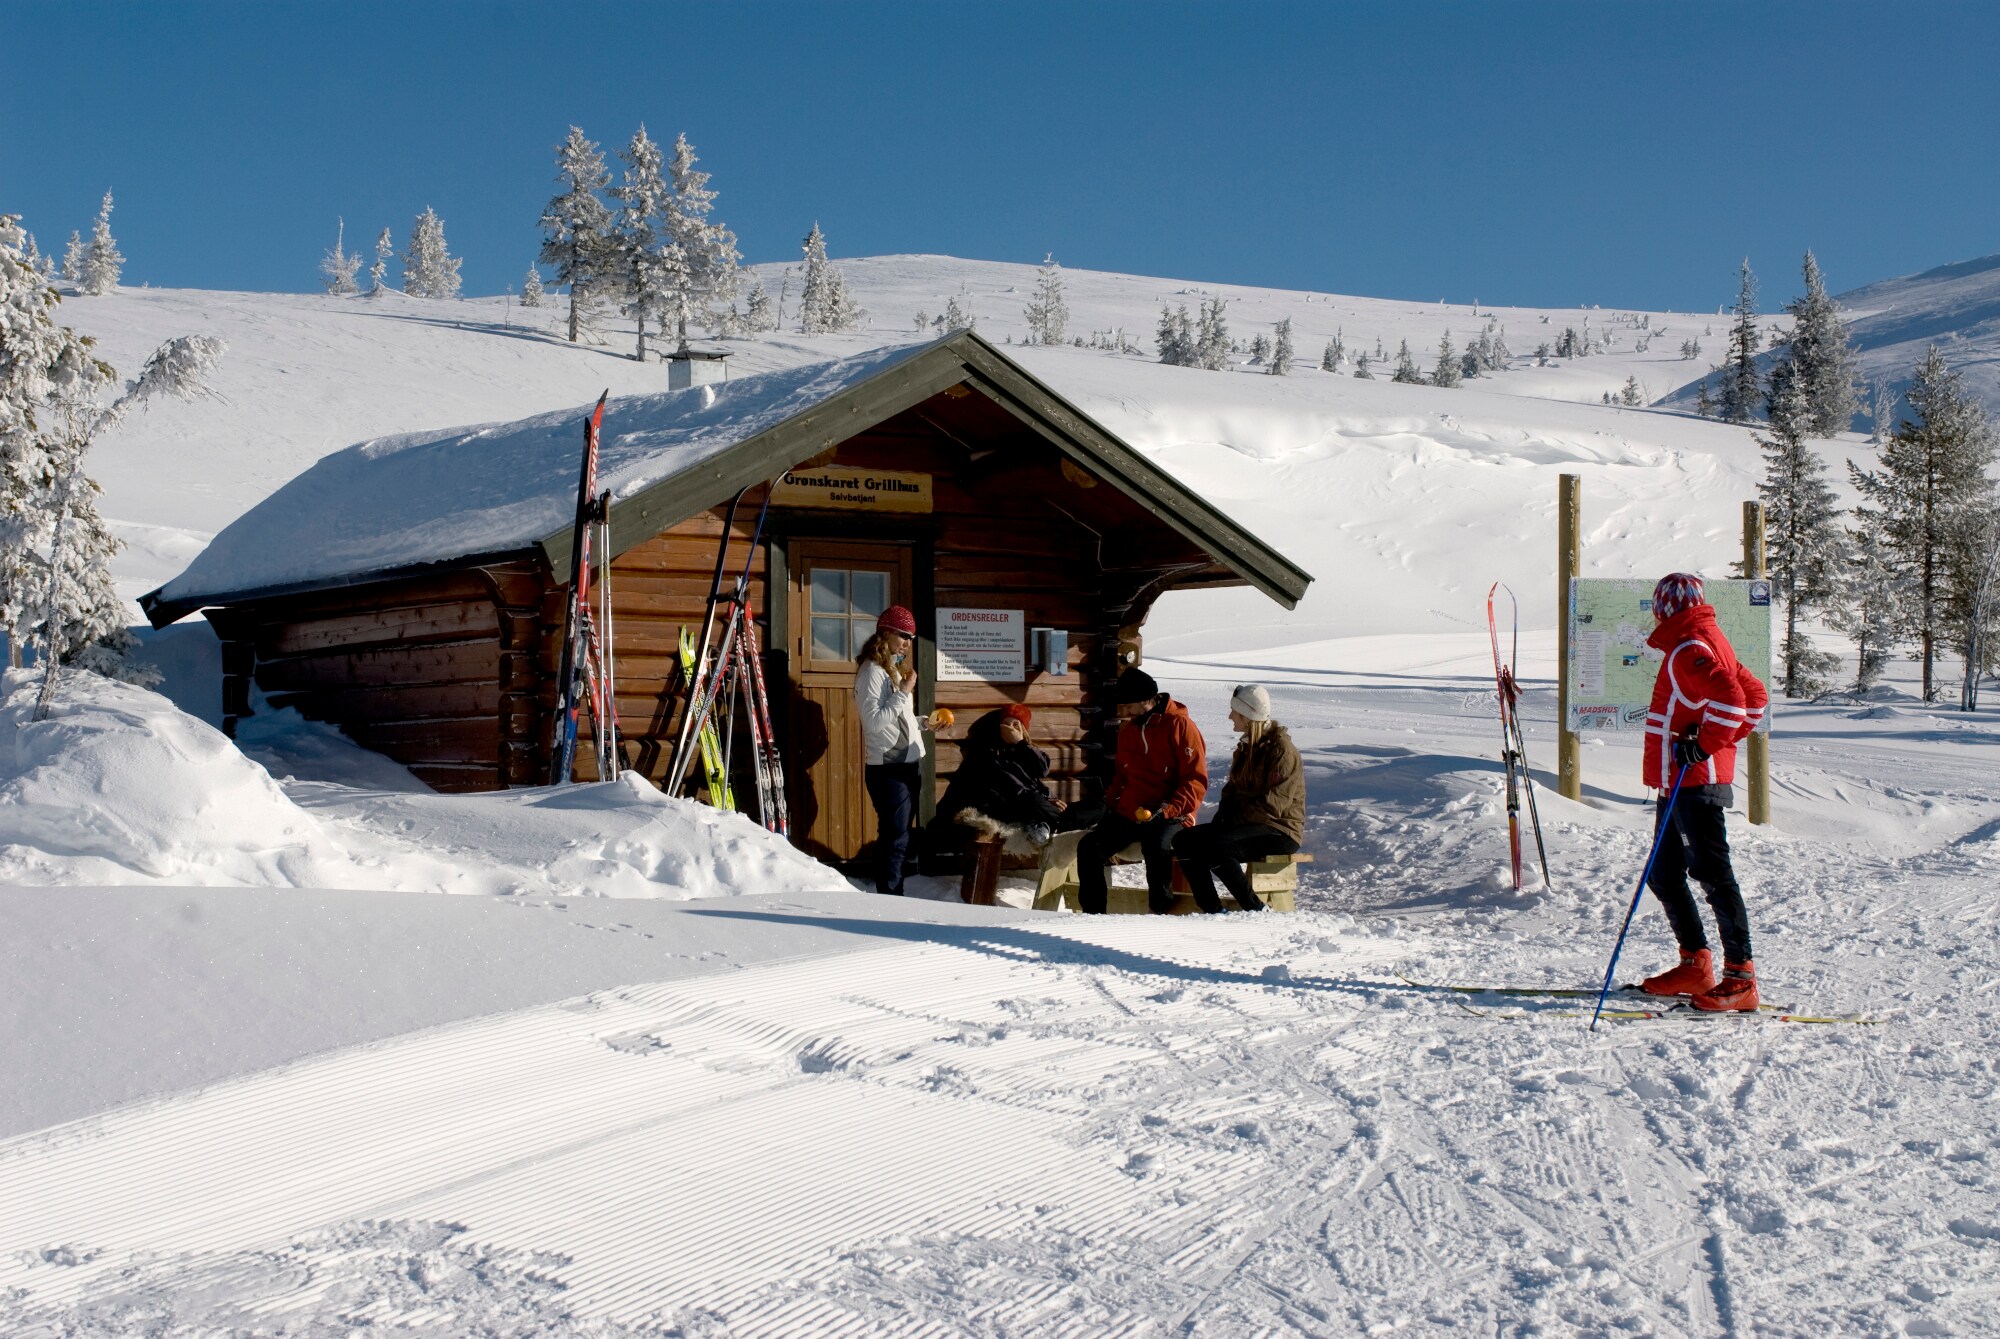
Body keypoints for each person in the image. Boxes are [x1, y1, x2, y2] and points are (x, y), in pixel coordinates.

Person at [1635, 573, 1770, 1011]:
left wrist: (1704, 745)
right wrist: (1713, 739)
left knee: (1712, 875)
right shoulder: (1702, 639)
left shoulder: (1689, 647)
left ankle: (1741, 976)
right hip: (1679, 780)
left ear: (1664, 609)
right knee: (1663, 872)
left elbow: (1734, 700)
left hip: (1695, 782)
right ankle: (1695, 964)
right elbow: (1755, 696)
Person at [1076, 668, 1208, 914]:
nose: (1124, 712)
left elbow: (1195, 780)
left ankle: (1160, 913)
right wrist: (1108, 803)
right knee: (1090, 846)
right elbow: (1123, 776)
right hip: (1133, 810)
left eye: (1128, 706)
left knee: (1156, 843)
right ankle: (1093, 916)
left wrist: (1169, 809)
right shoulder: (1129, 730)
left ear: (1147, 701)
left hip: (1172, 812)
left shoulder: (1181, 726)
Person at [1175, 684, 1304, 912]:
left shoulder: (1281, 751)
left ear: (1247, 716)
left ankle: (1255, 909)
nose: (1230, 717)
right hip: (1248, 825)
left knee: (1217, 847)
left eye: (1235, 712)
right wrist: (1221, 822)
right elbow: (1231, 792)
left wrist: (1230, 825)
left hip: (1279, 830)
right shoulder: (1245, 748)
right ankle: (1212, 911)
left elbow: (1272, 807)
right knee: (1184, 840)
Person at [854, 604, 933, 896]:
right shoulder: (872, 672)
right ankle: (891, 899)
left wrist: (925, 723)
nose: (907, 642)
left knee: (898, 836)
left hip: (907, 764)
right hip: (888, 768)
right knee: (895, 838)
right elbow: (873, 723)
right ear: (885, 633)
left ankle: (892, 895)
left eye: (911, 637)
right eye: (903, 635)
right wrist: (904, 692)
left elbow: (900, 719)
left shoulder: (891, 670)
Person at [935, 704, 1068, 847]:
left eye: (1016, 725)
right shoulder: (990, 754)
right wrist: (1043, 802)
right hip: (992, 804)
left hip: (1016, 801)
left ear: (1023, 729)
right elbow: (1014, 787)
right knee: (1034, 801)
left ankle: (1062, 821)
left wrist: (1020, 744)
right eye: (1006, 724)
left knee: (1086, 807)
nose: (1011, 729)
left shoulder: (1021, 750)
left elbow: (1041, 771)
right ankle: (1066, 823)